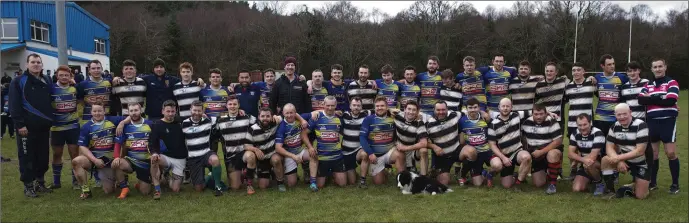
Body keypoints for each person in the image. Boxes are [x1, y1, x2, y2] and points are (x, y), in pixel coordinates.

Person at [9, 53, 54, 198]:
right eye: (33, 62)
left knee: (42, 156)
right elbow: (14, 105)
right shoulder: (18, 81)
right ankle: (28, 185)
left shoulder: (47, 80)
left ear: (42, 65)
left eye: (38, 62)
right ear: (27, 64)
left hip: (43, 127)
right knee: (27, 156)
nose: (36, 64)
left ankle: (40, 183)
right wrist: (20, 124)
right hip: (26, 128)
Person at [638, 58, 680, 194]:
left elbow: (671, 100)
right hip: (652, 121)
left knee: (671, 152)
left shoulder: (671, 82)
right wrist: (661, 98)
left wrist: (651, 99)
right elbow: (641, 100)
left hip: (668, 121)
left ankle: (675, 184)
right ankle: (653, 182)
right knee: (654, 154)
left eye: (660, 66)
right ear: (651, 69)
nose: (658, 69)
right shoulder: (648, 85)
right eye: (655, 67)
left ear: (665, 67)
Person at [71, 101, 128, 199]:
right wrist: (94, 160)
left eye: (100, 111)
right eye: (95, 111)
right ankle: (86, 190)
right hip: (95, 159)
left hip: (110, 160)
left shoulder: (113, 120)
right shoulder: (86, 127)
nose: (97, 113)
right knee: (76, 161)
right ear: (91, 112)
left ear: (104, 111)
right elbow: (82, 147)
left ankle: (119, 179)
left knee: (109, 191)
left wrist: (122, 122)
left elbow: (130, 117)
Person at [600, 103, 650, 199]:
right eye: (619, 115)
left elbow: (640, 151)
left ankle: (633, 186)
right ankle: (610, 191)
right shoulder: (614, 126)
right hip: (625, 160)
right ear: (615, 115)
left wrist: (618, 158)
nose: (622, 117)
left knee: (640, 196)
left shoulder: (641, 125)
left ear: (630, 112)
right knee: (605, 160)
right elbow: (609, 148)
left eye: (624, 114)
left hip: (642, 162)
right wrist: (619, 160)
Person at [214, 96, 257, 194]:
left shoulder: (247, 117)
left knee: (251, 156)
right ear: (226, 106)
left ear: (239, 105)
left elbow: (261, 123)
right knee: (235, 187)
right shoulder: (220, 119)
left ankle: (249, 184)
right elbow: (213, 133)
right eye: (230, 104)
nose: (232, 106)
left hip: (244, 152)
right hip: (230, 156)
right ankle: (243, 173)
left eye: (235, 104)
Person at [302, 96, 347, 190]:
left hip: (337, 157)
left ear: (336, 105)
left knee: (342, 184)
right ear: (323, 105)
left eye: (332, 105)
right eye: (327, 105)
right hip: (322, 157)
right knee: (320, 186)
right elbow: (303, 134)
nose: (330, 108)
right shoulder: (317, 118)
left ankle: (331, 173)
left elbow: (345, 133)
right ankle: (325, 174)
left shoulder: (339, 118)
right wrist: (310, 147)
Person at [112, 103, 155, 199]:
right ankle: (124, 187)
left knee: (145, 192)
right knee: (116, 163)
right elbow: (118, 144)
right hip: (130, 160)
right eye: (131, 111)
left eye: (136, 110)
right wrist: (116, 157)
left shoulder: (150, 124)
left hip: (145, 162)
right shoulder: (124, 127)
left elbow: (156, 142)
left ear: (141, 110)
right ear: (128, 112)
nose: (134, 113)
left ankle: (140, 184)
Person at [358, 96, 404, 186]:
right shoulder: (368, 119)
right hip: (375, 155)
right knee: (379, 183)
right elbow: (362, 137)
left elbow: (407, 115)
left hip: (389, 152)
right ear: (374, 107)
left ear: (387, 107)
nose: (379, 108)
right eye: (377, 106)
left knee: (400, 155)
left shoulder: (393, 117)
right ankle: (384, 171)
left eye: (382, 106)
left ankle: (402, 181)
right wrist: (370, 153)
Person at [487, 98, 532, 189]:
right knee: (506, 185)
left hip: (517, 151)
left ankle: (518, 183)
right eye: (503, 106)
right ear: (499, 108)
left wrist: (549, 113)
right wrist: (503, 158)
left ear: (511, 107)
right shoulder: (493, 124)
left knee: (526, 157)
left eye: (508, 106)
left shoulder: (516, 115)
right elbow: (492, 144)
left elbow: (535, 112)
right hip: (503, 155)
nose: (505, 108)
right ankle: (491, 173)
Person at [48, 66, 81, 190]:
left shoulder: (75, 88)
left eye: (66, 75)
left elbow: (80, 100)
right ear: (57, 76)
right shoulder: (51, 89)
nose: (64, 77)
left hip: (73, 127)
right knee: (57, 153)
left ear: (70, 76)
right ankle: (56, 182)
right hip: (57, 128)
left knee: (74, 154)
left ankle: (76, 181)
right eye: (61, 75)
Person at [182, 101, 223, 196]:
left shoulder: (209, 121)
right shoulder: (184, 123)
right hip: (193, 158)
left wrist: (240, 111)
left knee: (215, 159)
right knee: (199, 188)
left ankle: (218, 187)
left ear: (203, 111)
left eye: (199, 110)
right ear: (190, 110)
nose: (196, 113)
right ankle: (208, 177)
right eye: (194, 110)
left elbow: (224, 117)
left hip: (206, 154)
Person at [148, 100, 188, 198]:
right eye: (168, 111)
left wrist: (203, 116)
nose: (170, 114)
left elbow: (196, 118)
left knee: (175, 189)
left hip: (180, 158)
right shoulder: (157, 124)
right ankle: (157, 190)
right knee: (154, 160)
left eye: (173, 111)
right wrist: (154, 153)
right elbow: (152, 143)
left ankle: (166, 175)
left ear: (176, 111)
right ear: (163, 111)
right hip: (166, 157)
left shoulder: (182, 122)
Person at [563, 62, 595, 180]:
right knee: (573, 147)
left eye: (578, 70)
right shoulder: (568, 87)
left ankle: (587, 168)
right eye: (574, 70)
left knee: (588, 146)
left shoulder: (591, 83)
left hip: (588, 123)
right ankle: (573, 170)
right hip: (572, 122)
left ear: (583, 72)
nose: (576, 72)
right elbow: (564, 101)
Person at [522, 103, 563, 194]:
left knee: (552, 154)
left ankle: (553, 184)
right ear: (532, 114)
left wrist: (541, 152)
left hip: (549, 150)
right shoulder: (526, 122)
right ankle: (550, 172)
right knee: (538, 184)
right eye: (536, 114)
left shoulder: (551, 121)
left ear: (546, 113)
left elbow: (558, 141)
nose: (539, 117)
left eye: (541, 114)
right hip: (536, 153)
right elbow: (522, 137)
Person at [425, 101, 466, 186]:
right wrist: (433, 146)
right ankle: (436, 171)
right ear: (434, 110)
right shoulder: (428, 124)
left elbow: (469, 112)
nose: (441, 112)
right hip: (442, 155)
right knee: (443, 183)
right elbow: (422, 142)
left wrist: (483, 113)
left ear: (447, 109)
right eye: (438, 110)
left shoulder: (454, 114)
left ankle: (463, 173)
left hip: (456, 150)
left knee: (471, 151)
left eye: (443, 109)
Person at [275, 103, 315, 188]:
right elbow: (278, 148)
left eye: (291, 113)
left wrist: (335, 111)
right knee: (291, 184)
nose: (289, 115)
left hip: (300, 150)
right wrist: (293, 156)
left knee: (314, 154)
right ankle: (287, 172)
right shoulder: (281, 127)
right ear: (283, 113)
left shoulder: (301, 118)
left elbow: (315, 113)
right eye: (287, 113)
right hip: (289, 154)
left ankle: (313, 180)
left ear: (295, 113)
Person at [245, 108, 285, 191]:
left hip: (273, 155)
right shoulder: (253, 129)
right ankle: (268, 173)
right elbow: (246, 146)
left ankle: (280, 182)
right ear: (258, 117)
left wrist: (277, 116)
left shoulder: (275, 122)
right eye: (262, 116)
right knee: (263, 186)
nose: (265, 118)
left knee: (276, 159)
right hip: (262, 159)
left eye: (268, 116)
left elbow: (288, 113)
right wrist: (255, 150)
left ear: (271, 117)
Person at [568, 113, 606, 195]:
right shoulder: (575, 133)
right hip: (584, 162)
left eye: (585, 124)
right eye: (579, 125)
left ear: (590, 123)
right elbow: (570, 154)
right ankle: (590, 179)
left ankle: (599, 183)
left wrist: (577, 160)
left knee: (588, 164)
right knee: (577, 189)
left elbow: (593, 157)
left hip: (600, 164)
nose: (582, 128)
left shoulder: (598, 133)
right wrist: (581, 160)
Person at [459, 98, 492, 187]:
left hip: (486, 150)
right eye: (470, 108)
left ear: (479, 108)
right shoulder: (462, 121)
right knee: (478, 184)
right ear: (466, 108)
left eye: (475, 107)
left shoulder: (485, 117)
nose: (473, 110)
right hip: (473, 152)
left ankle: (488, 173)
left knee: (498, 165)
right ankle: (473, 171)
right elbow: (461, 140)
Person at [340, 97, 371, 186]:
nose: (356, 107)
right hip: (346, 151)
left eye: (358, 106)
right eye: (354, 105)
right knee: (352, 182)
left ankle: (363, 180)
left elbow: (380, 110)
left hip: (358, 149)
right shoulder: (344, 115)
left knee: (365, 154)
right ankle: (355, 174)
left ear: (361, 107)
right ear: (350, 106)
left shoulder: (366, 114)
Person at [393, 100, 428, 176]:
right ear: (404, 109)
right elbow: (382, 109)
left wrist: (406, 148)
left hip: (411, 149)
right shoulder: (397, 116)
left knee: (424, 150)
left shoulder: (419, 123)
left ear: (417, 112)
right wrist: (390, 109)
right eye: (409, 109)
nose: (411, 112)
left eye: (414, 110)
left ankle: (423, 177)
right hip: (398, 148)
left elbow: (424, 143)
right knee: (404, 176)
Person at [200, 68, 231, 154]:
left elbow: (232, 105)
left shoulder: (227, 90)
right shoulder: (203, 91)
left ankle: (228, 167)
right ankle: (212, 167)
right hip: (209, 125)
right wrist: (202, 113)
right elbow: (199, 106)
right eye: (213, 77)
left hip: (224, 123)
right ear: (209, 79)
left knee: (227, 151)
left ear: (221, 79)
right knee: (211, 151)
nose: (215, 78)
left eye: (218, 77)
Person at [480, 53, 517, 118]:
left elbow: (521, 77)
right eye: (496, 61)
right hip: (491, 110)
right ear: (493, 61)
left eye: (501, 61)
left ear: (504, 62)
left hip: (505, 110)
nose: (498, 64)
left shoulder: (509, 73)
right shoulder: (486, 73)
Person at [77, 60, 113, 125]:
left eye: (98, 68)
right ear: (89, 70)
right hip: (89, 118)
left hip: (106, 117)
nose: (96, 70)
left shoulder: (109, 82)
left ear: (102, 69)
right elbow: (79, 101)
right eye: (93, 68)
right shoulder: (83, 84)